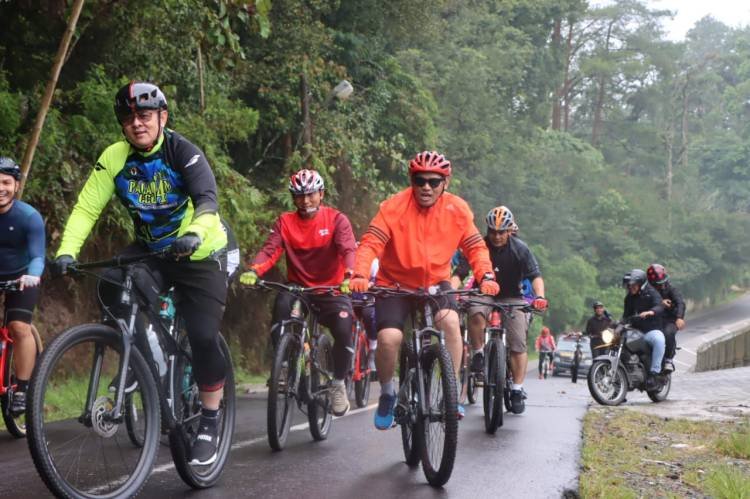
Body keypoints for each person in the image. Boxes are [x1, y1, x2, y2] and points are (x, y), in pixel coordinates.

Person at [51, 82, 230, 465]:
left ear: (162, 117)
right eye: (128, 117)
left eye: (144, 115)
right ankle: (140, 362)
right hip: (152, 249)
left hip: (200, 252)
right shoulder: (115, 157)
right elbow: (86, 209)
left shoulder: (183, 152)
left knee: (202, 334)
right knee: (112, 285)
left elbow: (207, 200)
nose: (136, 123)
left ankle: (211, 419)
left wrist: (195, 233)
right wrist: (67, 250)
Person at [349, 150, 499, 429]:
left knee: (451, 322)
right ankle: (386, 393)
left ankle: (450, 394)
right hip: (394, 283)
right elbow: (370, 243)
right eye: (420, 181)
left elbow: (476, 247)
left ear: (445, 183)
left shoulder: (457, 210)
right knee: (389, 338)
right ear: (411, 180)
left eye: (433, 181)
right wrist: (359, 273)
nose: (426, 187)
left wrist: (486, 275)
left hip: (435, 283)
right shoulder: (393, 208)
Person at [239, 168, 357, 417]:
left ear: (321, 194)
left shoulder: (336, 220)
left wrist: (349, 275)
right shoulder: (285, 222)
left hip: (331, 288)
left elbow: (348, 249)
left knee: (345, 327)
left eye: (311, 194)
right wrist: (254, 271)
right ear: (293, 199)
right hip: (299, 287)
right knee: (282, 306)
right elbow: (270, 250)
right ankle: (287, 361)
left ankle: (337, 384)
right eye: (299, 196)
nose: (306, 201)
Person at [452, 205, 548, 414]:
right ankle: (478, 353)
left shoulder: (520, 249)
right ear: (487, 230)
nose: (496, 236)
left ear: (509, 231)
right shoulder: (478, 246)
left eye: (501, 232)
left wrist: (539, 297)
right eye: (493, 232)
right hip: (484, 293)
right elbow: (460, 273)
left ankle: (516, 388)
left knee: (518, 343)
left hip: (512, 296)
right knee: (475, 311)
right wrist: (449, 292)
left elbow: (535, 276)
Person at [0, 157, 45, 415]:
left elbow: (38, 255)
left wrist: (33, 275)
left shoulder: (29, 216)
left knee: (18, 327)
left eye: (6, 182)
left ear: (16, 186)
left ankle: (22, 389)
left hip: (22, 278)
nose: (1, 188)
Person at [622, 269, 665, 389]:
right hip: (635, 332)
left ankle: (654, 373)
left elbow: (660, 305)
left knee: (659, 340)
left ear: (640, 283)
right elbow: (625, 316)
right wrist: (616, 324)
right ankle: (621, 381)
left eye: (632, 285)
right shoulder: (629, 298)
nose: (630, 287)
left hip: (650, 330)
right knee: (618, 343)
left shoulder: (651, 292)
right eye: (628, 285)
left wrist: (651, 311)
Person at [647, 263, 685, 372]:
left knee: (668, 333)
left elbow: (680, 303)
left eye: (662, 283)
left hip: (670, 320)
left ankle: (668, 360)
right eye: (658, 284)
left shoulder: (672, 290)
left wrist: (679, 317)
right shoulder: (647, 291)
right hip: (653, 320)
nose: (661, 286)